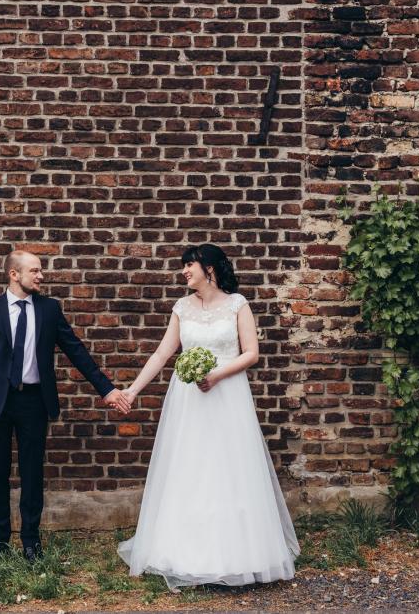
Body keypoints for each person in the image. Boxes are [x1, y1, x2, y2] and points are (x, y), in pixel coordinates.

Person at [116, 243, 300, 591]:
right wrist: (132, 390)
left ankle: (239, 554)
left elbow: (251, 353)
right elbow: (161, 354)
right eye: (184, 266)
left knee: (229, 469)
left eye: (190, 265)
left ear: (210, 269)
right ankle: (185, 552)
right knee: (191, 468)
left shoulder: (237, 304)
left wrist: (217, 374)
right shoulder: (182, 308)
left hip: (227, 396)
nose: (185, 271)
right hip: (189, 400)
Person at [0, 250, 132, 561]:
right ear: (14, 274)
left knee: (32, 475)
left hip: (34, 402)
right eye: (35, 271)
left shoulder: (49, 310)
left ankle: (31, 542)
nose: (41, 276)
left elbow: (77, 352)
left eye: (40, 271)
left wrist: (106, 389)